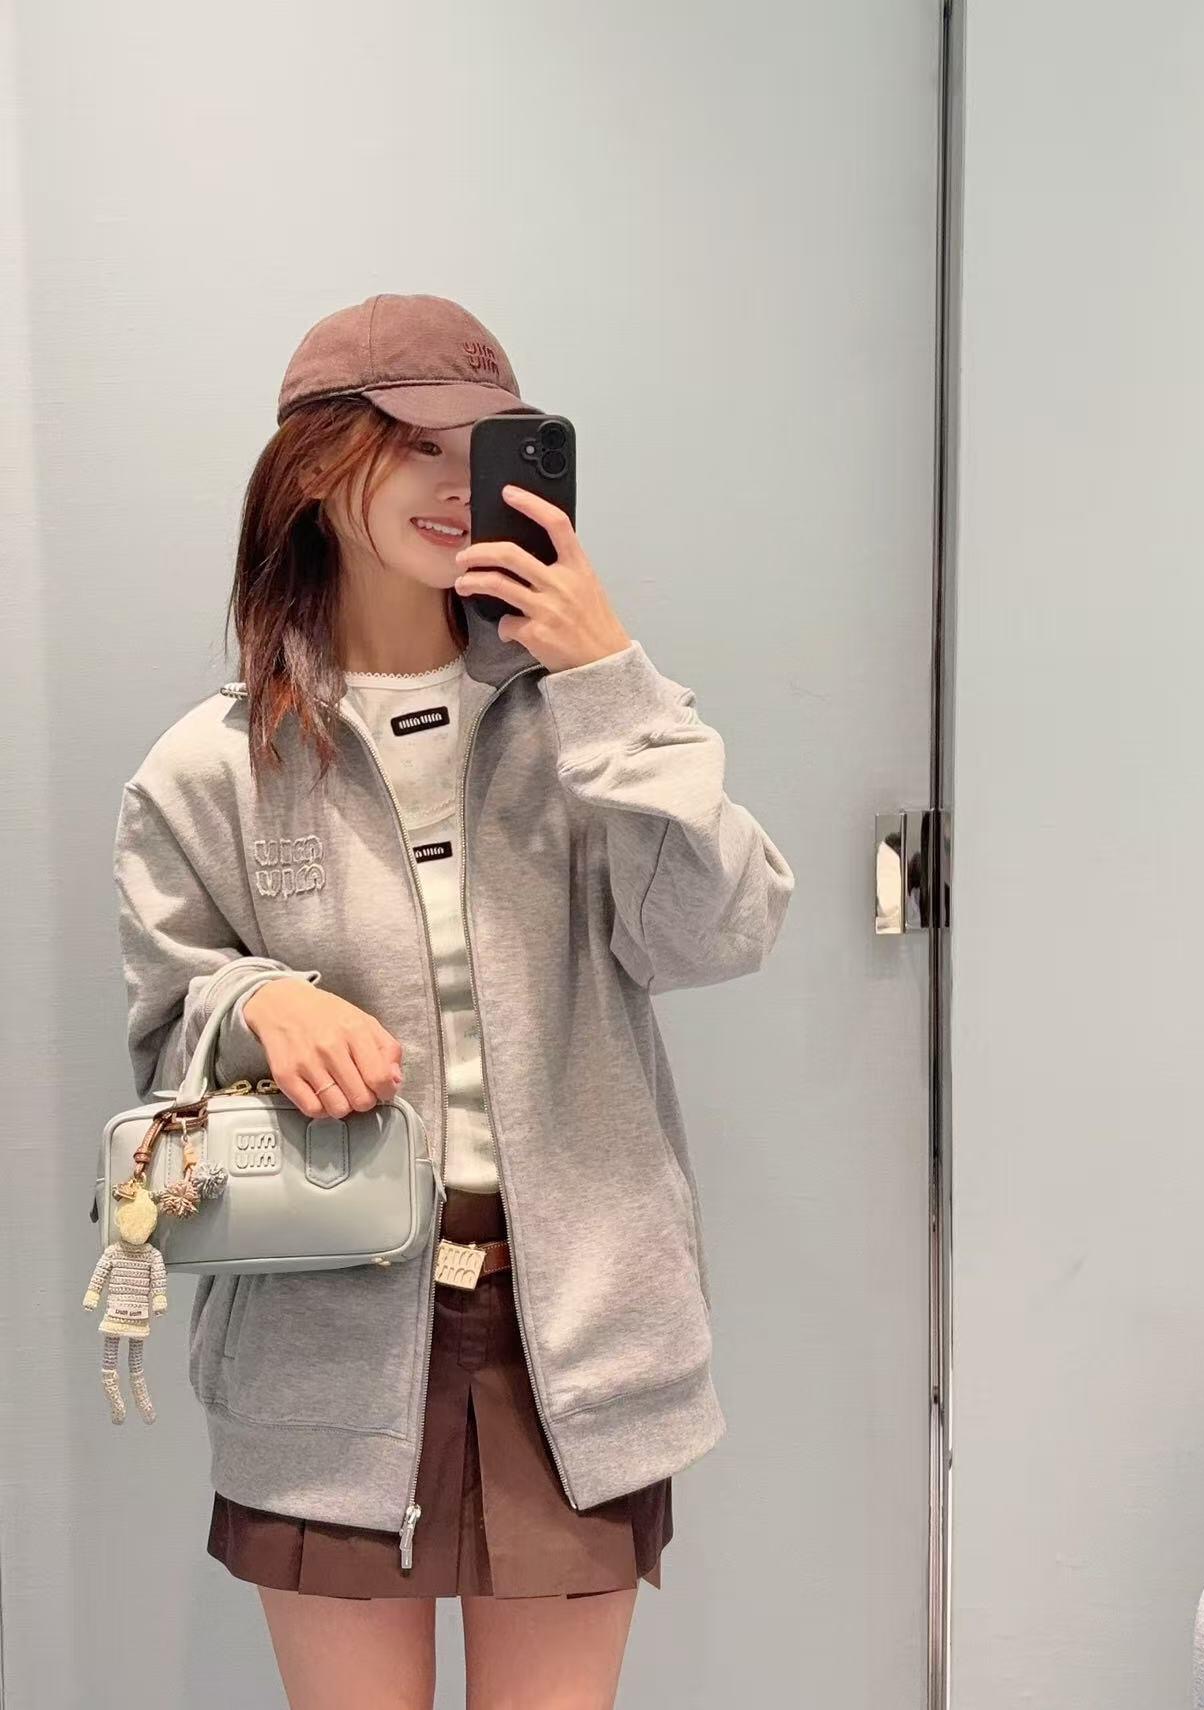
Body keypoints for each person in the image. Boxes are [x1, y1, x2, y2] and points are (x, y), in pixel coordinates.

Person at [111, 292, 795, 1708]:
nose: (453, 481)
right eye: (415, 443)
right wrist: (256, 1000)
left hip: (577, 1335)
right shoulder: (211, 763)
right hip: (325, 1340)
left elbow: (718, 929)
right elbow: (163, 1031)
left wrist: (607, 677)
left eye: (483, 447)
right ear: (317, 467)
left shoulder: (584, 717)